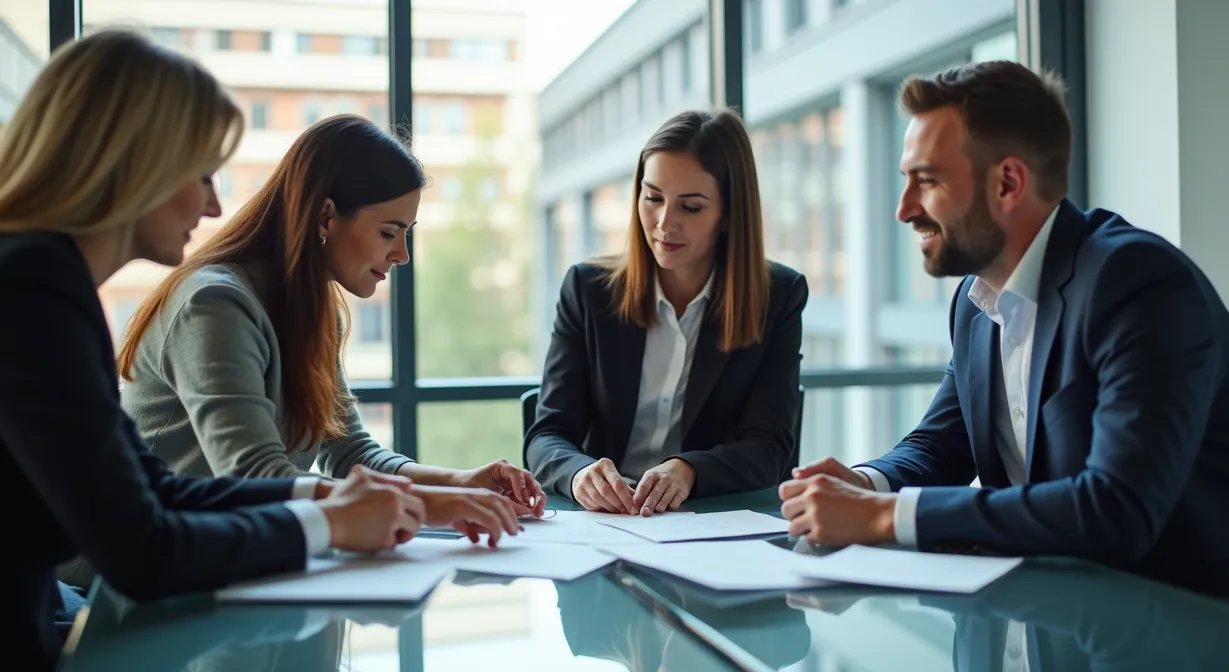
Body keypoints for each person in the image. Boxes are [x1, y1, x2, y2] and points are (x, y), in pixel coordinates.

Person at [778, 60, 1229, 598]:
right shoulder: (974, 300)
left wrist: (883, 517)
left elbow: (1115, 509)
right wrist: (866, 484)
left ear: (1008, 182)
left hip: (1207, 621)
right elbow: (941, 446)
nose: (904, 209)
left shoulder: (1137, 284)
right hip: (1057, 607)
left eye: (928, 180)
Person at [0, 29, 432, 671]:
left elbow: (159, 491)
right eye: (200, 172)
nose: (213, 202)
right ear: (132, 164)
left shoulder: (44, 280)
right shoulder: (34, 290)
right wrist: (331, 523)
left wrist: (345, 504)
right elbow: (142, 548)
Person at [115, 113, 546, 533]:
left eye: (407, 233)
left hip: (226, 559)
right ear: (325, 217)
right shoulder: (214, 304)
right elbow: (255, 476)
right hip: (129, 576)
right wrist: (431, 505)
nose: (402, 255)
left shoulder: (312, 311)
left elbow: (350, 453)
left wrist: (459, 483)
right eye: (388, 232)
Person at [525, 109, 808, 515]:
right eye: (652, 197)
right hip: (604, 522)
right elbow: (547, 433)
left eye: (690, 207)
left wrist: (688, 470)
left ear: (729, 213)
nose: (663, 224)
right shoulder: (587, 291)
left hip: (709, 520)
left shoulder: (778, 297)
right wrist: (579, 474)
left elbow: (769, 446)